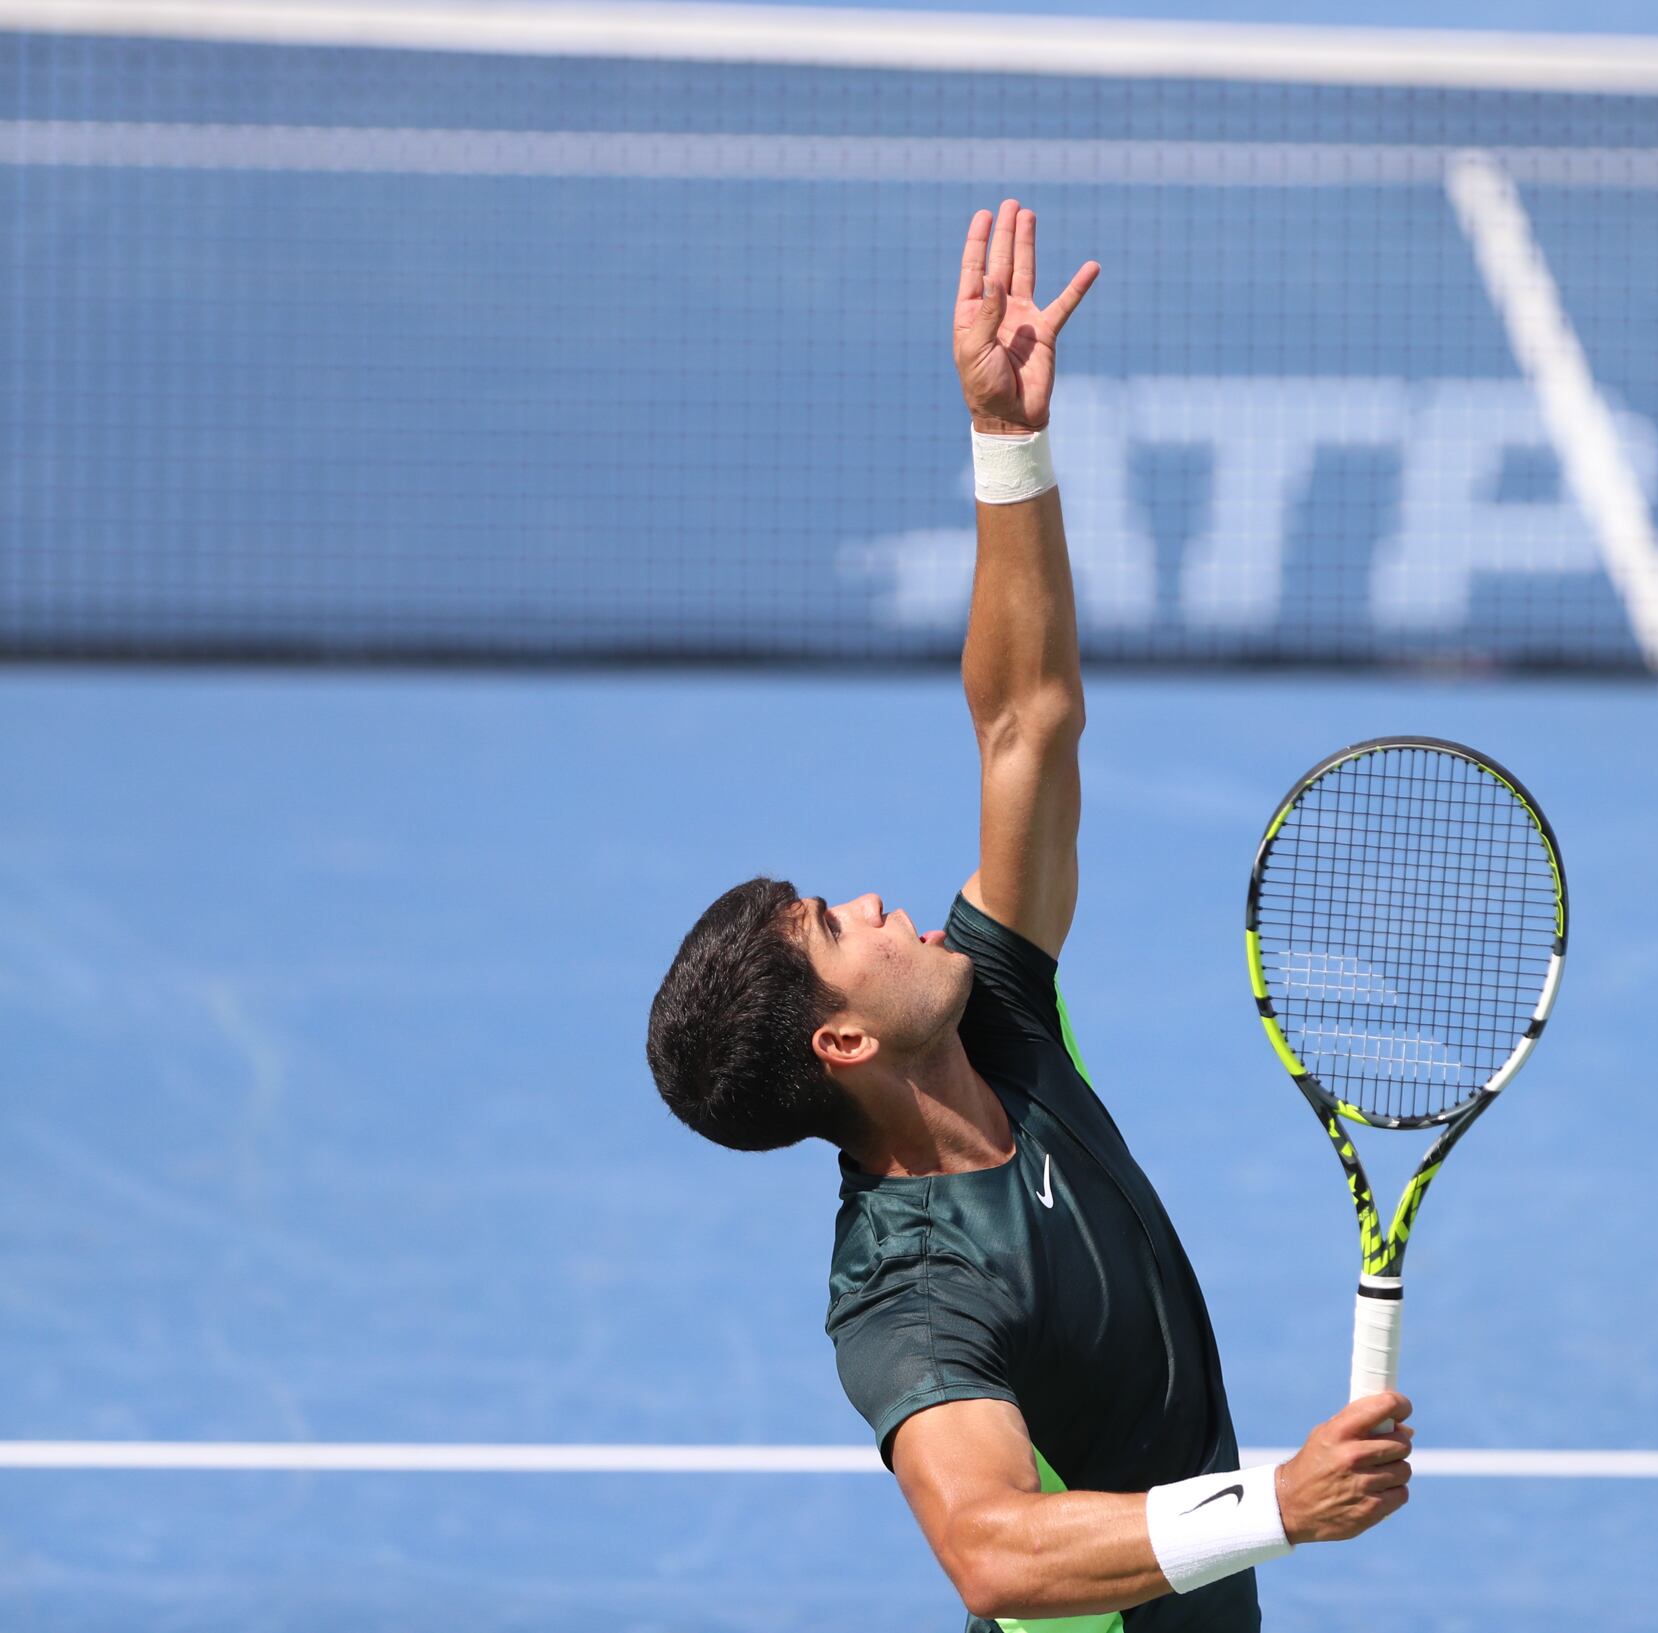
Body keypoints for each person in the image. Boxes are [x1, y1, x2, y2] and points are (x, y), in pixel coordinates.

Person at [645, 199, 1414, 1631]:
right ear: (840, 1046)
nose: (876, 901)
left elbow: (1025, 720)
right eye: (834, 925)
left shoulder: (995, 1016)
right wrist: (1278, 1504)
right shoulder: (907, 1295)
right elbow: (991, 1548)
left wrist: (1007, 440)